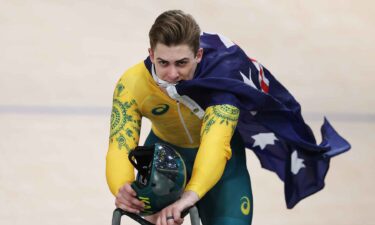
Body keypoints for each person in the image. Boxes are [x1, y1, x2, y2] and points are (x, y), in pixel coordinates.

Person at [106, 10, 350, 225]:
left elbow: (214, 144)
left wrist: (189, 196)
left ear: (198, 55)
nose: (172, 74)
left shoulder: (223, 78)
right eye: (163, 63)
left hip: (222, 165)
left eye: (182, 63)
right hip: (163, 160)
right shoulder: (132, 84)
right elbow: (119, 144)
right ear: (150, 53)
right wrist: (122, 186)